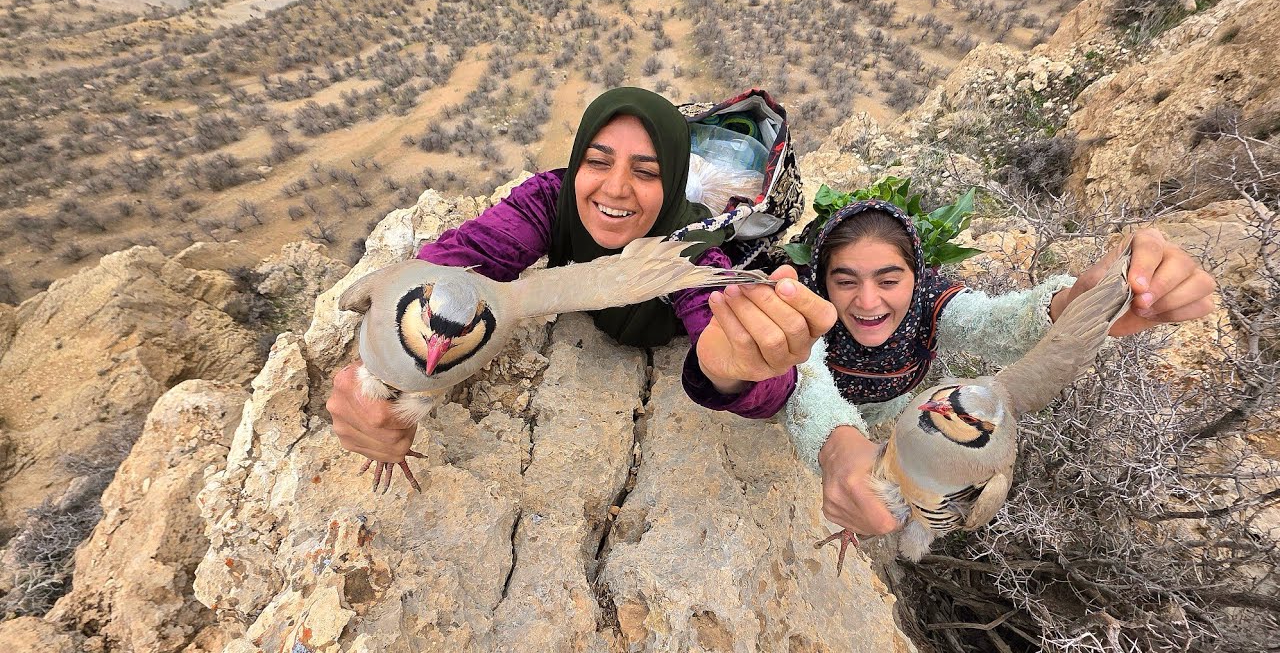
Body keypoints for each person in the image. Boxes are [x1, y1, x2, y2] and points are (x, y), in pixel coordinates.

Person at [326, 87, 835, 474]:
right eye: (596, 161)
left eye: (648, 172)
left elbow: (760, 375)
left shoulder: (694, 252)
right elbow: (457, 263)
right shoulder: (553, 197)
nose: (615, 189)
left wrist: (735, 369)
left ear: (676, 180)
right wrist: (379, 364)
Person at [771, 199, 1217, 539]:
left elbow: (992, 324)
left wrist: (1073, 303)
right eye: (845, 281)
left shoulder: (932, 305)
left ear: (917, 275)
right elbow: (804, 376)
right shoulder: (808, 312)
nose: (868, 302)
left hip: (887, 411)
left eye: (889, 281)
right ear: (823, 281)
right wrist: (836, 445)